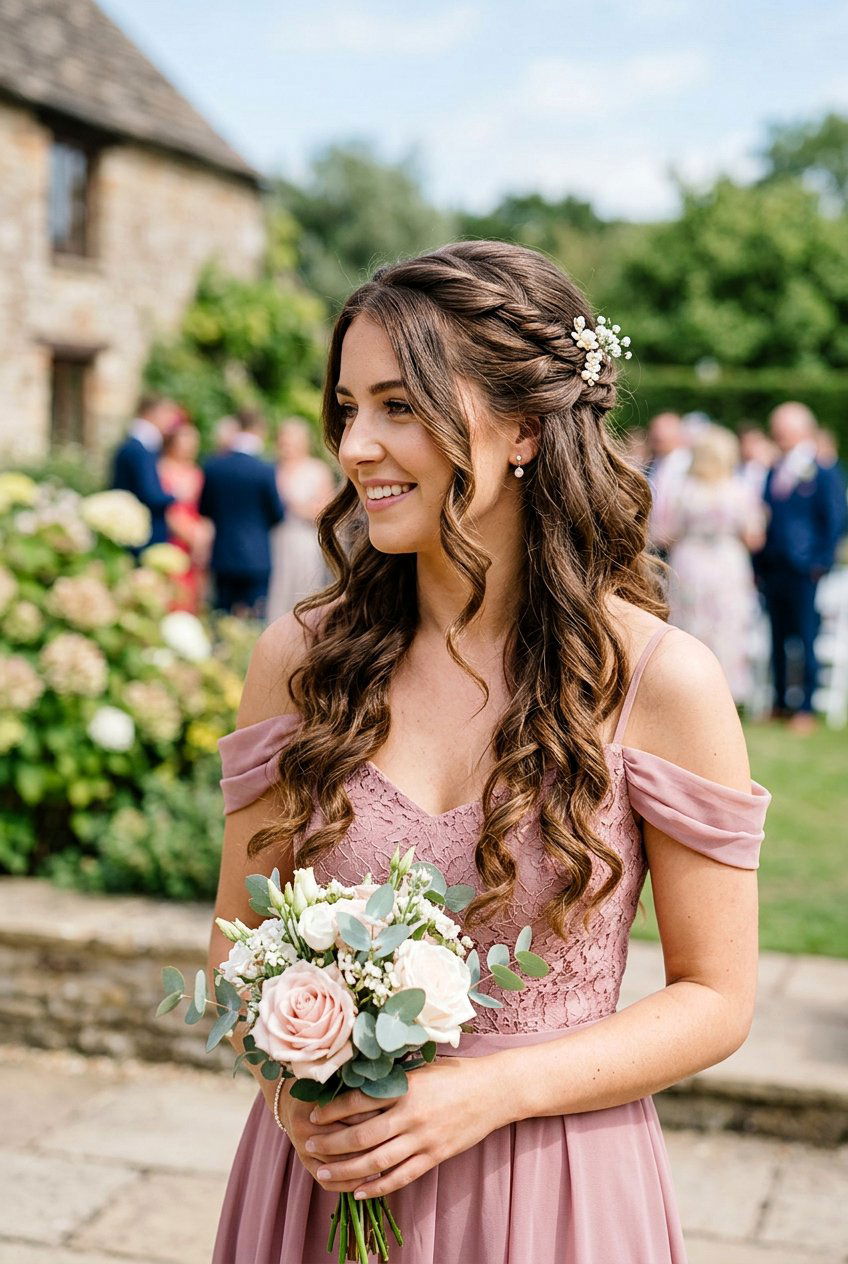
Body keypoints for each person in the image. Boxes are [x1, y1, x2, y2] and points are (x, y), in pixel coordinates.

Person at [209, 242, 770, 1264]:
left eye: (399, 406)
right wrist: (301, 1099)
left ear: (521, 426)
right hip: (323, 1186)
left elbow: (715, 997)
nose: (356, 446)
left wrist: (487, 1089)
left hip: (550, 1192)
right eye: (346, 408)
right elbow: (231, 944)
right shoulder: (299, 660)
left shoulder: (660, 681)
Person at [754, 401, 848, 732]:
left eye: (784, 427)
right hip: (773, 566)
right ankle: (780, 702)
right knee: (777, 635)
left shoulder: (822, 472)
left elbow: (836, 518)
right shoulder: (772, 469)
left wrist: (819, 562)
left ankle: (805, 706)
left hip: (805, 569)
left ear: (802, 430)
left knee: (806, 636)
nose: (778, 434)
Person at [658, 425, 765, 705]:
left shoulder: (684, 490)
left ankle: (686, 694)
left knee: (690, 624)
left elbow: (665, 532)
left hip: (690, 562)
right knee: (727, 625)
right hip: (728, 563)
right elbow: (754, 537)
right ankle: (725, 695)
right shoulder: (739, 489)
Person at [198, 408, 285, 618]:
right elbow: (278, 513)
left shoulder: (214, 466)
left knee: (220, 614)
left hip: (223, 552)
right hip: (257, 555)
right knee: (256, 616)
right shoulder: (266, 469)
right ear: (259, 429)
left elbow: (204, 509)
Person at [266, 417, 337, 621]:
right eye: (283, 440)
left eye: (291, 441)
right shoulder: (272, 469)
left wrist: (293, 505)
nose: (286, 445)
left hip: (304, 539)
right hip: (276, 538)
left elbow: (324, 511)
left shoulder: (316, 470)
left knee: (303, 588)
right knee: (277, 589)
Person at [111, 394, 180, 550]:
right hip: (142, 536)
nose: (170, 420)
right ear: (152, 413)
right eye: (167, 413)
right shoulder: (140, 448)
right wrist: (176, 494)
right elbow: (150, 494)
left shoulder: (138, 445)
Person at [158, 421, 212, 614]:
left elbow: (206, 509)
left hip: (195, 545)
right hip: (173, 540)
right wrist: (188, 534)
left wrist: (203, 537)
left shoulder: (198, 472)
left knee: (193, 597)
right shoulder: (162, 469)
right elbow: (166, 510)